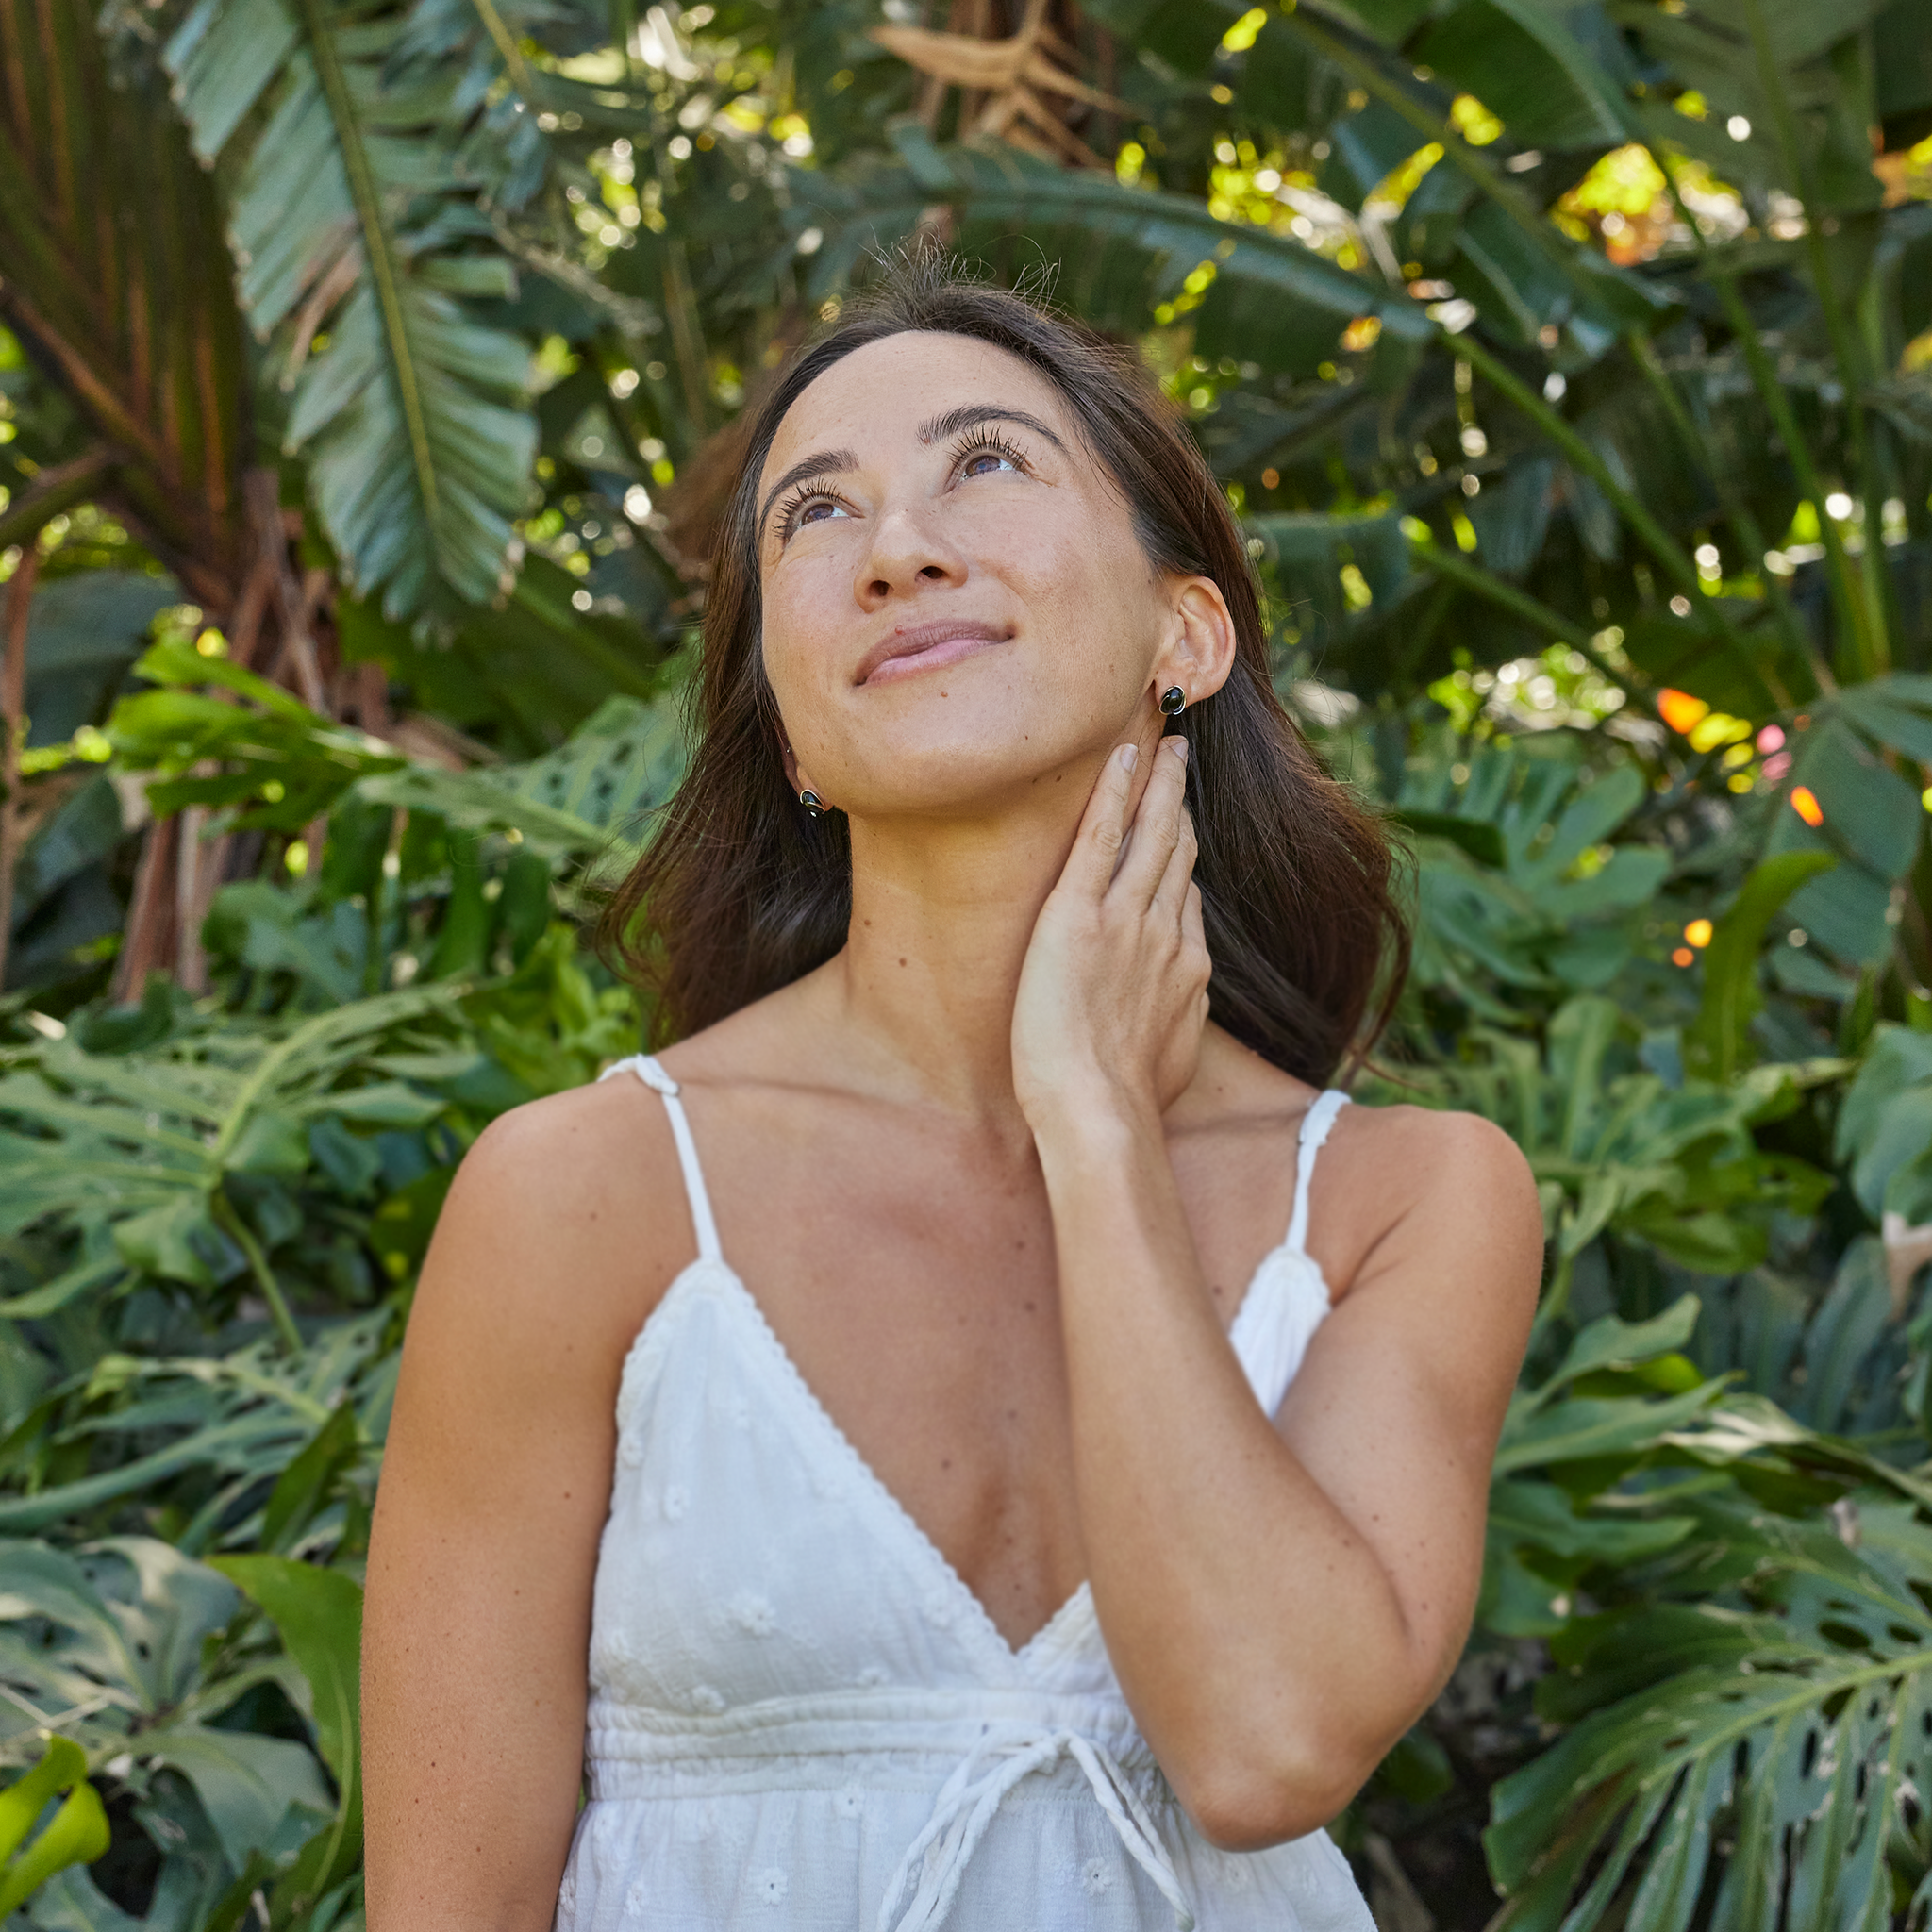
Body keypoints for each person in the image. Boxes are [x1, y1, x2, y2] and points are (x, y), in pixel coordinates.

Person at [360, 261, 1543, 1932]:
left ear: (1184, 631)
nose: (898, 547)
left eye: (984, 462)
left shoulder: (1404, 1202)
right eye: (815, 515)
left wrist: (1096, 1125)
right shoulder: (586, 1197)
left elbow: (1265, 1748)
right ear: (788, 732)